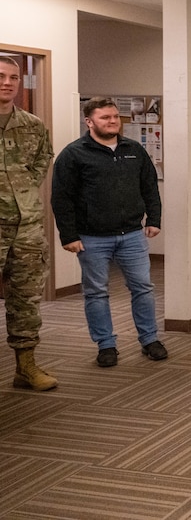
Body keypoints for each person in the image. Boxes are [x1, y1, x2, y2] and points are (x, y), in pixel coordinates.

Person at [51, 97, 167, 368]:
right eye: (105, 117)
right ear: (89, 122)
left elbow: (150, 187)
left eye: (115, 116)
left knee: (143, 288)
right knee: (96, 292)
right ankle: (106, 345)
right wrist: (68, 236)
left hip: (132, 235)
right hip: (92, 237)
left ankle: (150, 340)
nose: (113, 121)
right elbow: (61, 198)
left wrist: (155, 219)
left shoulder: (134, 150)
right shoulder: (74, 154)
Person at [0, 56, 57, 391]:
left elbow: (43, 159)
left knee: (26, 299)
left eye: (13, 77)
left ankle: (26, 367)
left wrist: (21, 188)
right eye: (1, 76)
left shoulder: (33, 125)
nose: (7, 83)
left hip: (26, 229)